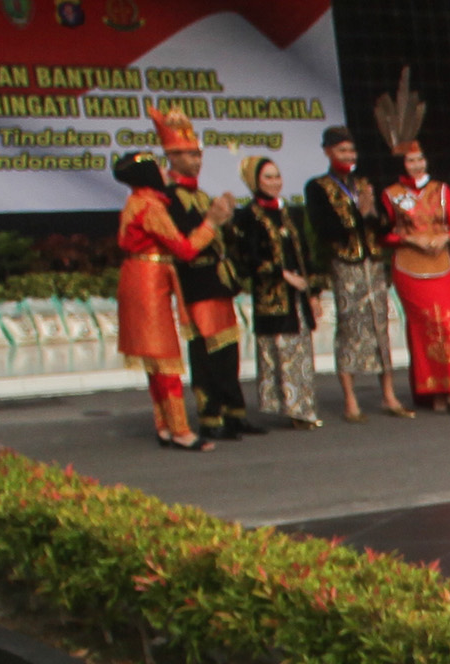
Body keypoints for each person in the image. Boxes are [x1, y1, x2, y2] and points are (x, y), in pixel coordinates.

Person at [152, 109, 246, 438]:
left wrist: (228, 220)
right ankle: (211, 417)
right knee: (208, 353)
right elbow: (185, 247)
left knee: (228, 350)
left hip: (219, 282)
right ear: (172, 158)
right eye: (189, 155)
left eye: (197, 154)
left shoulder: (202, 195)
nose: (196, 161)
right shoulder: (167, 200)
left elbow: (221, 239)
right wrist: (213, 221)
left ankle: (235, 412)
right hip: (195, 281)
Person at [113, 145, 210, 450]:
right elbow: (184, 249)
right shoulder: (152, 207)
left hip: (136, 277)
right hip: (150, 282)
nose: (164, 170)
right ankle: (180, 429)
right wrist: (212, 225)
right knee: (165, 357)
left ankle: (165, 425)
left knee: (154, 360)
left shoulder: (135, 201)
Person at [306, 126, 404, 422]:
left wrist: (374, 213)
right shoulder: (318, 187)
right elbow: (324, 229)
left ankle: (388, 393)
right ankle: (350, 398)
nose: (348, 156)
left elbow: (385, 226)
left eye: (351, 151)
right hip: (345, 264)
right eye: (341, 151)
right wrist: (355, 219)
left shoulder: (364, 182)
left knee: (380, 326)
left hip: (372, 263)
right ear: (327, 152)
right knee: (350, 327)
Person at [224, 156, 323, 428]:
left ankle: (302, 408)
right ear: (254, 181)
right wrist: (282, 274)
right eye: (267, 177)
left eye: (277, 176)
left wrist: (313, 291)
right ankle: (291, 408)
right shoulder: (248, 216)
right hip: (273, 296)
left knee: (299, 351)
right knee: (280, 351)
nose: (275, 182)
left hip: (298, 295)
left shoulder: (290, 213)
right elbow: (248, 257)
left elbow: (304, 253)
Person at [383, 138, 450, 417]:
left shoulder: (442, 190)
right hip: (409, 265)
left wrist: (444, 237)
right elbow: (384, 234)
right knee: (422, 329)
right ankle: (432, 389)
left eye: (420, 159)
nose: (416, 164)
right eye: (410, 160)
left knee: (447, 326)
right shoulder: (391, 194)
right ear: (402, 164)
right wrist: (410, 240)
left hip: (440, 263)